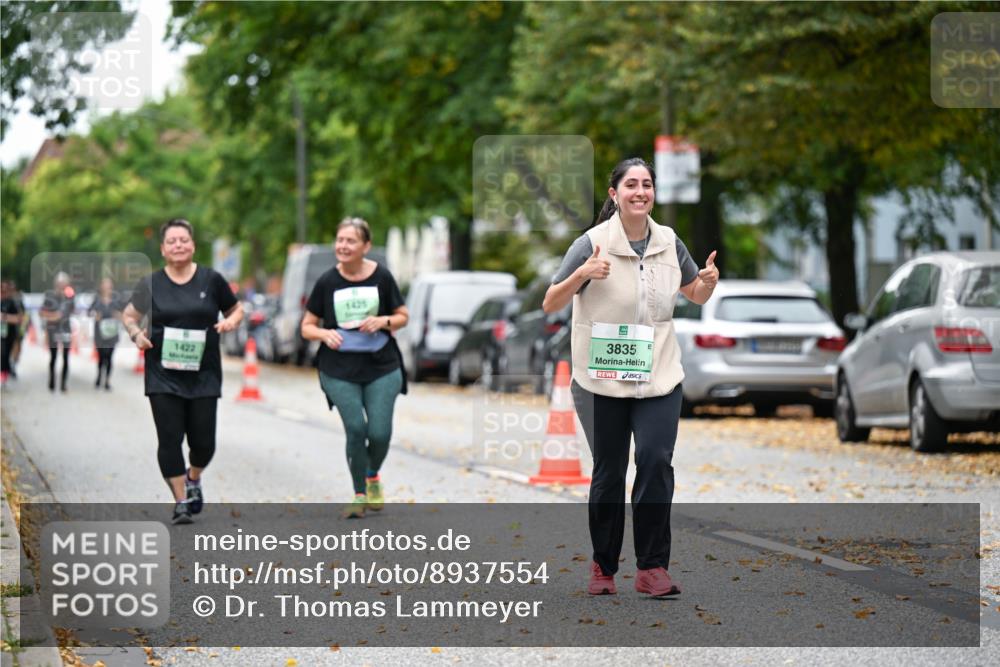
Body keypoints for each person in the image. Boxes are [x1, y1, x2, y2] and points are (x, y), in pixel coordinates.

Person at [542, 157, 719, 597]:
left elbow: (693, 292)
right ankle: (604, 567)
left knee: (656, 462)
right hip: (600, 378)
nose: (640, 192)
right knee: (609, 470)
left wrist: (708, 282)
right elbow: (550, 302)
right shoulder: (591, 243)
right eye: (631, 185)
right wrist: (583, 274)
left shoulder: (669, 242)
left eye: (647, 185)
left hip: (658, 373)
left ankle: (652, 568)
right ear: (614, 194)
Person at [122, 219, 243, 525]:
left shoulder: (211, 280)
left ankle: (194, 476)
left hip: (204, 373)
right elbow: (129, 315)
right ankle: (180, 501)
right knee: (169, 438)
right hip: (162, 372)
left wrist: (231, 322)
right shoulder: (151, 283)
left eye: (183, 240)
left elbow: (236, 309)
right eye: (172, 241)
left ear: (193, 246)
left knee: (204, 443)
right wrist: (137, 335)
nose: (178, 245)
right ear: (163, 249)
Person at [301, 217, 408, 519]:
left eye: (350, 241)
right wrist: (324, 334)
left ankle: (372, 474)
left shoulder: (382, 277)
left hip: (381, 365)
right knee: (356, 428)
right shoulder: (327, 282)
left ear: (366, 246)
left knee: (379, 433)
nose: (343, 246)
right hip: (338, 367)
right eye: (340, 240)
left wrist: (383, 321)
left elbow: (403, 315)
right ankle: (359, 493)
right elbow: (306, 326)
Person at [40, 272, 75, 392]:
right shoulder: (49, 296)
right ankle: (52, 381)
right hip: (52, 330)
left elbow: (69, 312)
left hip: (65, 329)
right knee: (53, 356)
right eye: (60, 284)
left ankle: (63, 384)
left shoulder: (70, 296)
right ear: (56, 284)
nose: (62, 286)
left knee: (66, 357)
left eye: (64, 284)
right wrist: (53, 316)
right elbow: (42, 313)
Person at [88, 277, 122, 390]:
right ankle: (99, 376)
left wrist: (118, 315)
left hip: (112, 333)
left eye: (109, 285)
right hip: (99, 334)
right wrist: (95, 315)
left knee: (110, 357)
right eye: (104, 285)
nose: (107, 287)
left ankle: (107, 381)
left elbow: (123, 313)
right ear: (101, 286)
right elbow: (89, 312)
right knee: (101, 357)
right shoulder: (96, 299)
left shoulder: (116, 300)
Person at [1, 281, 24, 386]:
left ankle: (8, 371)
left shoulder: (13, 302)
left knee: (6, 353)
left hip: (10, 333)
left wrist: (4, 318)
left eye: (6, 290)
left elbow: (20, 318)